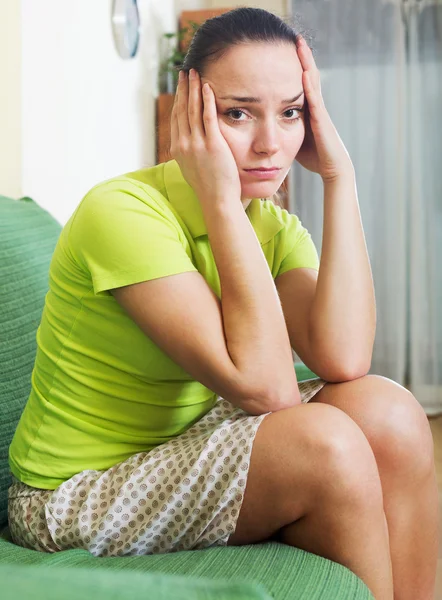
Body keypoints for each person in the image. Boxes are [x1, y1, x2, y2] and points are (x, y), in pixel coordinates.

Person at [7, 7, 438, 599]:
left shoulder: (275, 227)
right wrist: (220, 199)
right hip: (71, 495)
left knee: (389, 412)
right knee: (325, 445)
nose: (270, 144)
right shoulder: (122, 214)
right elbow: (267, 392)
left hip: (186, 440)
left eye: (290, 113)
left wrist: (340, 176)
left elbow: (343, 359)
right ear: (191, 110)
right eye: (238, 113)